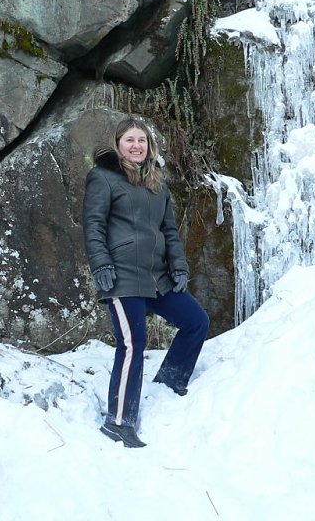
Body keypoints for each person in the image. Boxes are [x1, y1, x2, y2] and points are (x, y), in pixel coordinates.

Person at [82, 117, 210, 448]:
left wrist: (179, 267)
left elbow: (169, 231)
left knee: (196, 321)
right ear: (118, 144)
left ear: (149, 146)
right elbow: (93, 224)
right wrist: (100, 265)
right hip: (122, 276)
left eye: (142, 140)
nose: (136, 145)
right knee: (132, 344)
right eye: (130, 140)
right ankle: (119, 421)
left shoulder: (157, 185)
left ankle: (169, 382)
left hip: (157, 277)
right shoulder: (103, 178)